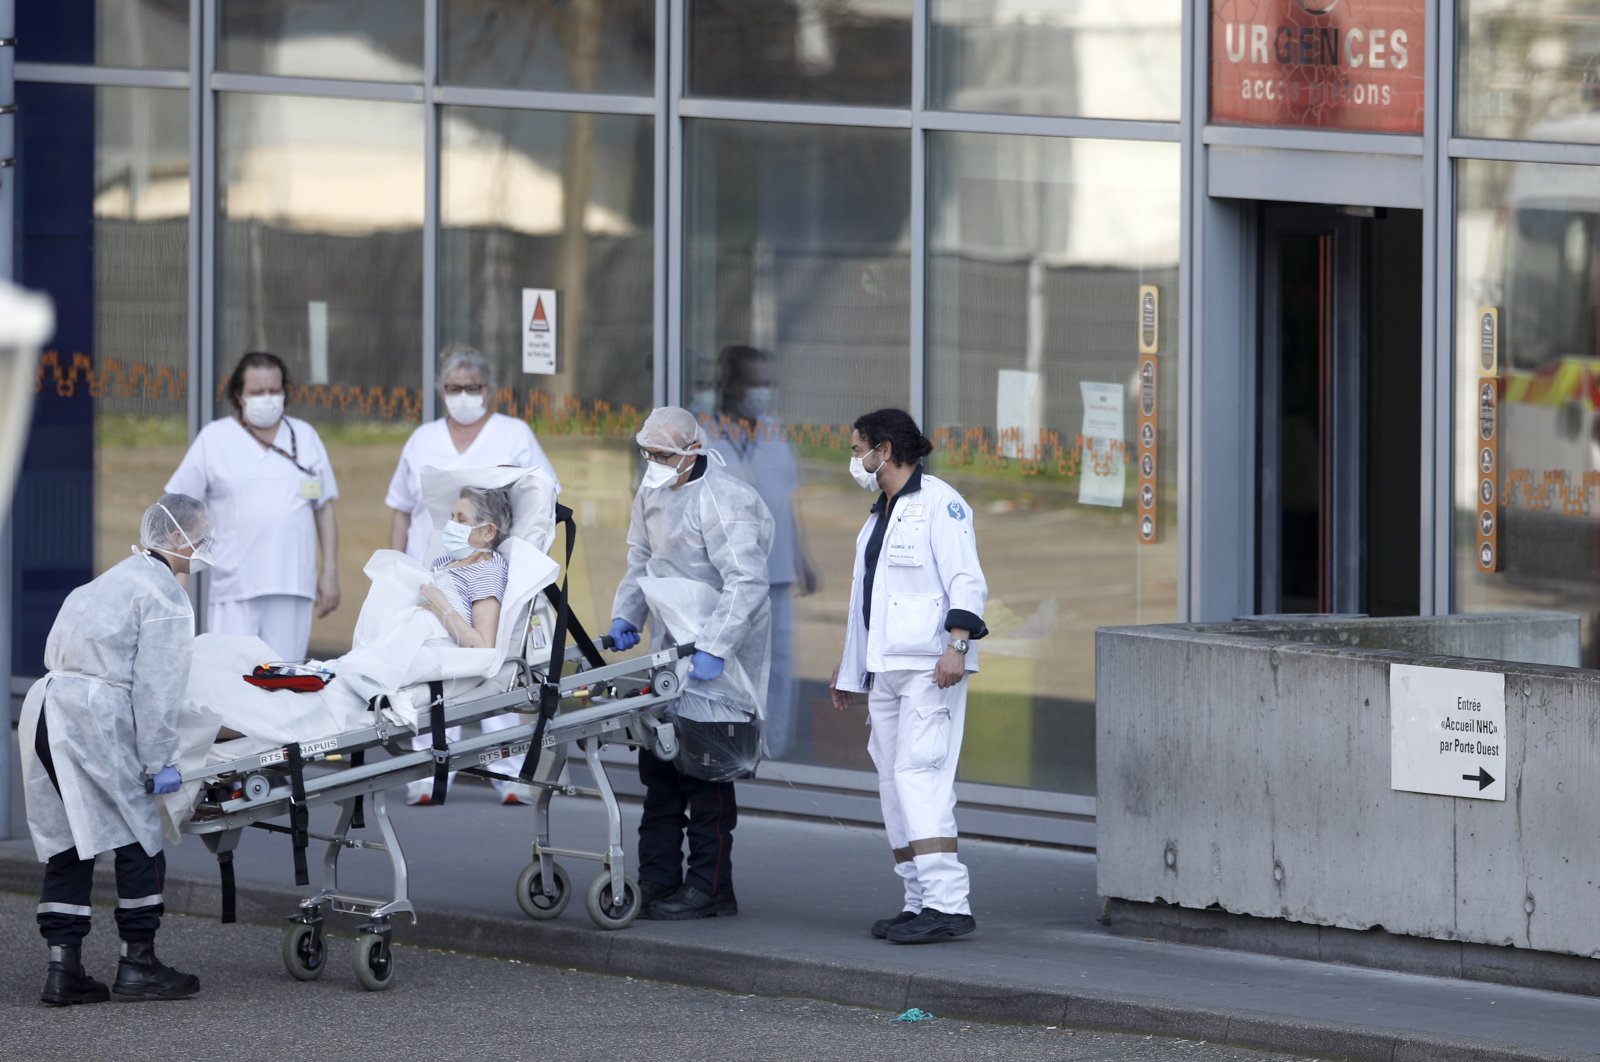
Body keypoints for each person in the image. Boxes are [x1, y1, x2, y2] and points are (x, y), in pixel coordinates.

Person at [18, 494, 211, 1005]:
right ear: (176, 537)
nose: (202, 547)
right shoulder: (164, 595)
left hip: (46, 706)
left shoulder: (102, 583)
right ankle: (138, 964)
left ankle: (64, 971)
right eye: (200, 536)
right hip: (94, 715)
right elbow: (158, 689)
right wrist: (160, 761)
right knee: (138, 835)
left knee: (68, 836)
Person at [829, 409, 988, 945]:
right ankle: (918, 899)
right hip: (887, 670)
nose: (855, 460)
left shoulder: (940, 504)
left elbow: (966, 579)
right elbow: (866, 601)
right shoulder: (881, 513)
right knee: (894, 784)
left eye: (858, 450)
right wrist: (850, 668)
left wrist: (957, 646)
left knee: (921, 778)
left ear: (885, 450)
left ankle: (947, 903)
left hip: (930, 669)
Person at [609, 406, 773, 920]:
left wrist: (715, 648)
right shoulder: (652, 493)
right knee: (660, 773)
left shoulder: (725, 500)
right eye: (647, 454)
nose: (652, 463)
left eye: (661, 455)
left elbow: (746, 582)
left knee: (706, 781)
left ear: (692, 451)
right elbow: (642, 560)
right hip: (672, 650)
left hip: (718, 659)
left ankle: (711, 887)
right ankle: (657, 878)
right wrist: (626, 615)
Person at [386, 344, 559, 806]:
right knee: (434, 661)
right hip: (433, 562)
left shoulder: (514, 432)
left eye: (473, 388)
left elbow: (542, 494)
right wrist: (400, 565)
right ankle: (427, 769)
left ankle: (506, 769)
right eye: (455, 388)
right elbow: (401, 509)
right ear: (441, 390)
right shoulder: (422, 439)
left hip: (490, 567)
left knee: (492, 661)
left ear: (491, 391)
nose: (464, 395)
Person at [166, 351, 340, 662]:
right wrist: (179, 574)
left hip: (292, 582)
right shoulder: (215, 438)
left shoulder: (306, 436)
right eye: (258, 392)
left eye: (274, 390)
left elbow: (324, 507)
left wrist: (329, 572)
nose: (268, 398)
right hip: (236, 585)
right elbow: (180, 505)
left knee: (285, 681)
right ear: (239, 395)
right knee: (232, 680)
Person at [707, 345, 817, 761]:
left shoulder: (774, 433)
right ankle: (728, 746)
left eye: (768, 383)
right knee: (730, 661)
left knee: (780, 666)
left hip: (778, 568)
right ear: (731, 385)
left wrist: (802, 558)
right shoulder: (708, 434)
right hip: (727, 573)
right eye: (755, 383)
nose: (762, 392)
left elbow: (787, 499)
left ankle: (773, 751)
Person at [417, 486, 513, 650]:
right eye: (452, 517)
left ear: (488, 532)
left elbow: (482, 646)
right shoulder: (444, 561)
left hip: (438, 664)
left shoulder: (487, 572)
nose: (451, 525)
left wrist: (439, 606)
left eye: (462, 521)